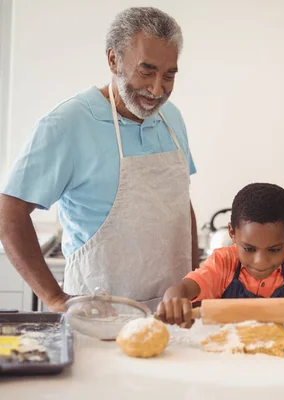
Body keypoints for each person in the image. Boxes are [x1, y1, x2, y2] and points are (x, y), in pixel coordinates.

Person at [0, 7, 197, 312]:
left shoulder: (172, 118)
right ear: (113, 59)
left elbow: (182, 205)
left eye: (169, 75)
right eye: (146, 71)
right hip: (97, 315)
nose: (157, 89)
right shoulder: (67, 123)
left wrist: (195, 284)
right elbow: (9, 213)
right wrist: (54, 299)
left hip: (170, 317)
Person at [157, 183, 284, 328]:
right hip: (231, 358)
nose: (261, 262)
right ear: (232, 233)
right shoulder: (223, 263)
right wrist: (174, 302)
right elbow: (181, 289)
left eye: (274, 250)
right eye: (249, 249)